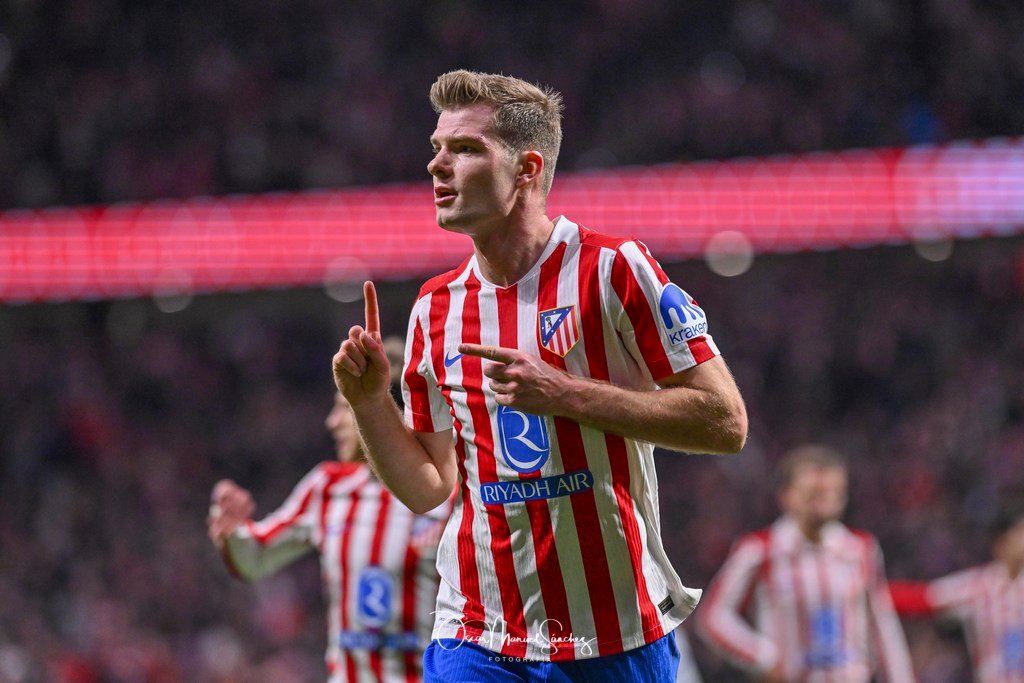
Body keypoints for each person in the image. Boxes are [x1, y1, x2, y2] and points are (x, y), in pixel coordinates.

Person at [331, 69, 748, 681]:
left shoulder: (615, 269)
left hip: (613, 631)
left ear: (527, 169)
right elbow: (428, 487)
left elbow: (725, 422)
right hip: (478, 633)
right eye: (437, 148)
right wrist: (370, 404)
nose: (436, 165)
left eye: (464, 148)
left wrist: (564, 394)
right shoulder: (434, 308)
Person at [207, 393, 451, 682]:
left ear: (390, 411)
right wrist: (231, 530)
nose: (332, 422)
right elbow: (255, 558)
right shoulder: (328, 488)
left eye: (345, 408)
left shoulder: (450, 497)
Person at [697, 445, 915, 682]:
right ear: (786, 495)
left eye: (833, 493)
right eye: (813, 493)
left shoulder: (861, 549)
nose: (824, 501)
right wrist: (763, 658)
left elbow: (882, 624)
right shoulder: (761, 549)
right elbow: (713, 617)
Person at [889, 503, 1024, 682]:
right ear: (1001, 542)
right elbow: (926, 597)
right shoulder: (981, 586)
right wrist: (871, 592)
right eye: (1019, 533)